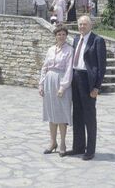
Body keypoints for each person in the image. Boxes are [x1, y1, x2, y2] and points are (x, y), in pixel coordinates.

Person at [65, 15, 106, 160]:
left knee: (89, 116)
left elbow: (101, 66)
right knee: (77, 114)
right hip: (76, 78)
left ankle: (90, 149)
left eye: (85, 24)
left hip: (88, 81)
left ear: (90, 26)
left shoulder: (97, 40)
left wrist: (97, 87)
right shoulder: (76, 39)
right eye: (80, 24)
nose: (82, 27)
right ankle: (78, 146)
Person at [39, 25, 73, 157]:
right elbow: (44, 67)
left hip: (61, 82)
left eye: (64, 34)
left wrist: (63, 87)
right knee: (51, 113)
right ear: (55, 36)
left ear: (66, 36)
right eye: (59, 34)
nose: (61, 36)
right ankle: (52, 142)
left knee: (61, 114)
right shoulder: (50, 50)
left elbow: (69, 70)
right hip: (49, 81)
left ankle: (63, 143)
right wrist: (41, 84)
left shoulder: (69, 50)